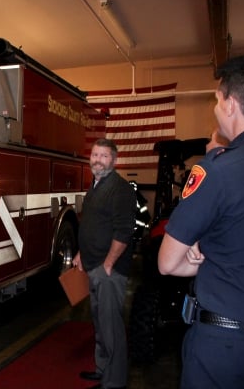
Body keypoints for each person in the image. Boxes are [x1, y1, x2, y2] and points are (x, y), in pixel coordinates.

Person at [158, 54, 244, 389]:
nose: (215, 108)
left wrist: (203, 250)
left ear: (231, 104)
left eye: (217, 100)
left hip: (224, 349)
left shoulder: (217, 170)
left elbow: (167, 263)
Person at [72, 138, 136, 389]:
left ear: (114, 160)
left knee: (112, 328)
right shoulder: (96, 185)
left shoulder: (120, 189)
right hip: (92, 264)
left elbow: (124, 232)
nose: (97, 159)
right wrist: (80, 252)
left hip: (109, 270)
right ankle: (102, 369)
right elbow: (92, 224)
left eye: (104, 156)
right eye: (95, 155)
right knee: (99, 323)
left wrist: (108, 264)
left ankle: (114, 382)